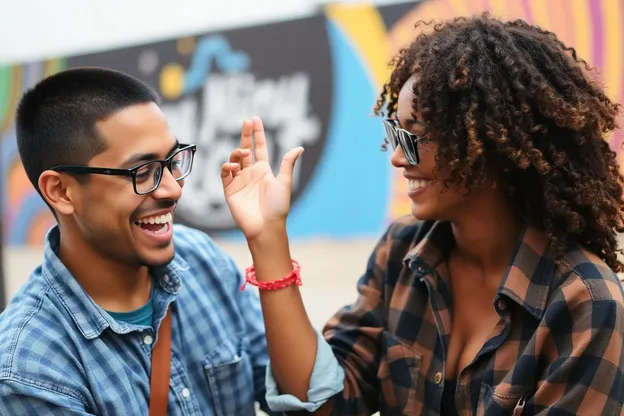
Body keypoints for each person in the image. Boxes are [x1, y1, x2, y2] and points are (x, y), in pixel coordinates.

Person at [221, 13, 624, 415]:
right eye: (397, 133)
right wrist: (268, 239)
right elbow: (325, 404)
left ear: (491, 140)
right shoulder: (403, 250)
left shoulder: (586, 304)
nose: (398, 157)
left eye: (417, 135)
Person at [0, 67, 281, 416]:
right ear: (61, 191)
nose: (173, 189)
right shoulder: (30, 369)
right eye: (142, 172)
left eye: (172, 161)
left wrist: (268, 240)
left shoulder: (202, 260)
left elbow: (307, 401)